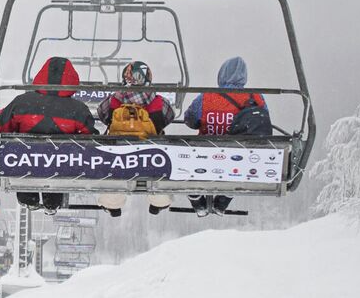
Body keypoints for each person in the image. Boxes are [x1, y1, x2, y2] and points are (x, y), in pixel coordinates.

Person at [0, 56, 94, 213]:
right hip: (61, 163)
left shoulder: (22, 102)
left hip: (24, 161)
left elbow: (1, 124)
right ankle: (52, 202)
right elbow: (90, 139)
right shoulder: (78, 110)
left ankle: (28, 198)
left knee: (22, 159)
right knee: (61, 167)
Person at [179, 55, 269, 215]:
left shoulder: (207, 97)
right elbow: (262, 122)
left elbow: (190, 120)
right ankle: (223, 200)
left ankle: (197, 199)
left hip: (204, 153)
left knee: (192, 161)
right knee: (238, 166)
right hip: (237, 156)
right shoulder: (254, 98)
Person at [98, 59, 174, 216]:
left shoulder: (115, 99)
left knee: (114, 173)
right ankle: (158, 203)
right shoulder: (157, 101)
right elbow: (167, 118)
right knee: (158, 173)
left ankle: (113, 204)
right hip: (150, 153)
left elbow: (103, 115)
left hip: (118, 152)